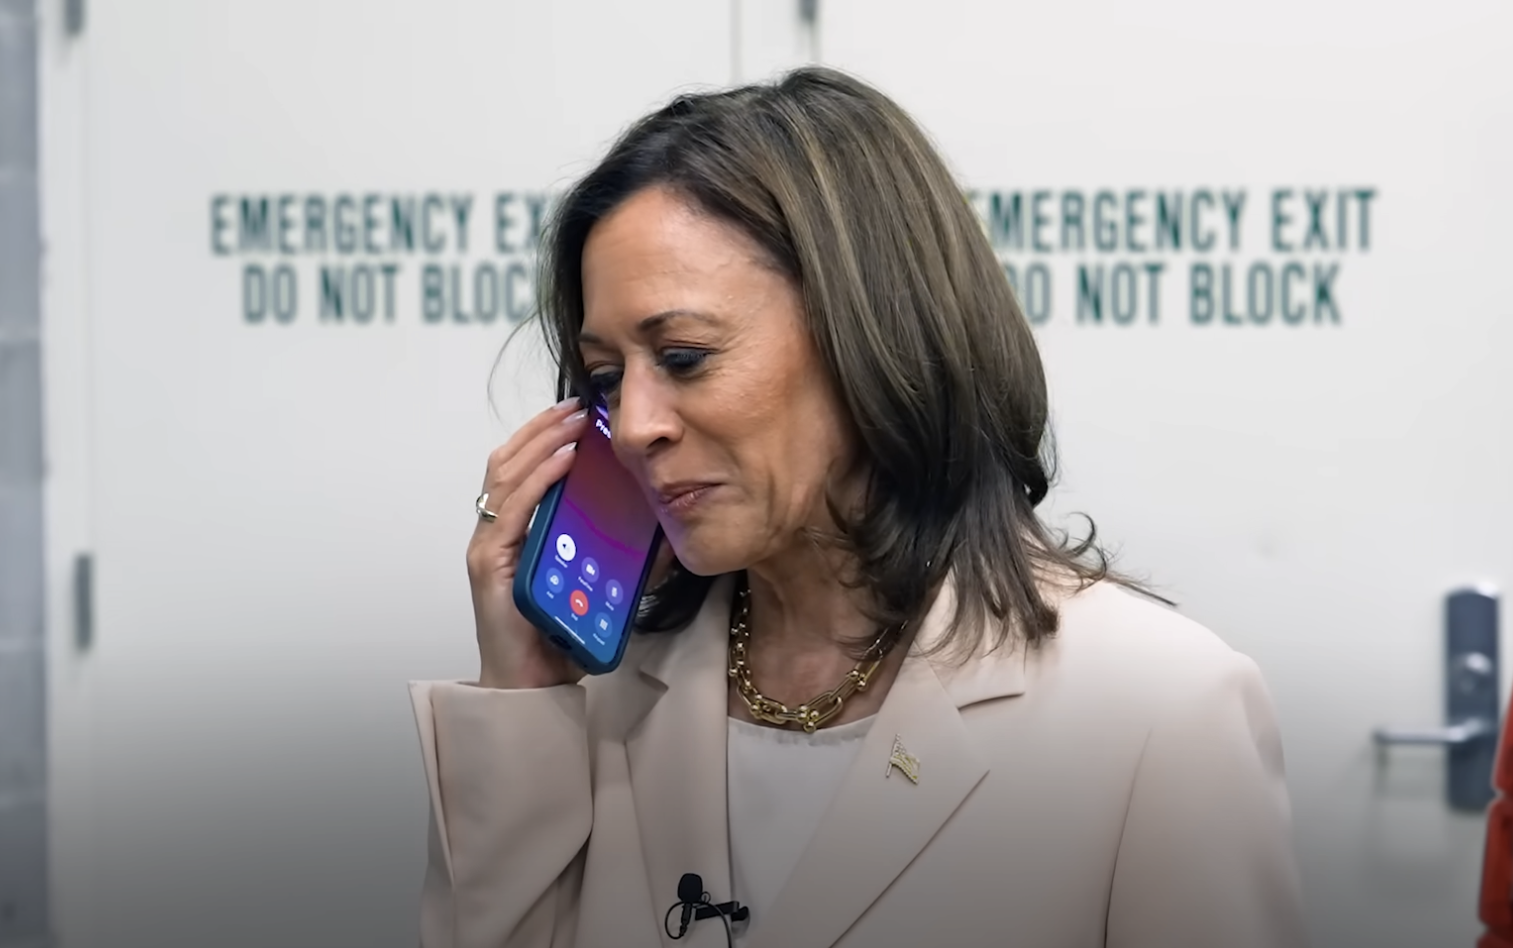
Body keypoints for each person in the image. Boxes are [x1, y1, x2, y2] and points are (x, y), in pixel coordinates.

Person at [411, 66, 1307, 948]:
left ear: (870, 333)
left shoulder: (1159, 708)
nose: (635, 425)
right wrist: (522, 702)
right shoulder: (593, 700)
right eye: (607, 378)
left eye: (682, 357)